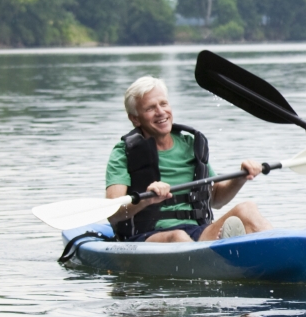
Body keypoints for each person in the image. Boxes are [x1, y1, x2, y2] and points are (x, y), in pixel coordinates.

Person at [105, 76, 273, 242]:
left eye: (163, 104)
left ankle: (283, 248)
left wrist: (241, 177)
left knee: (247, 209)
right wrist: (145, 199)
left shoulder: (191, 145)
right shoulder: (124, 153)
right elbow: (113, 213)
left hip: (197, 232)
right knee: (177, 236)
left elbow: (215, 199)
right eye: (150, 108)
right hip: (147, 236)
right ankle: (214, 258)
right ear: (135, 118)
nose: (161, 112)